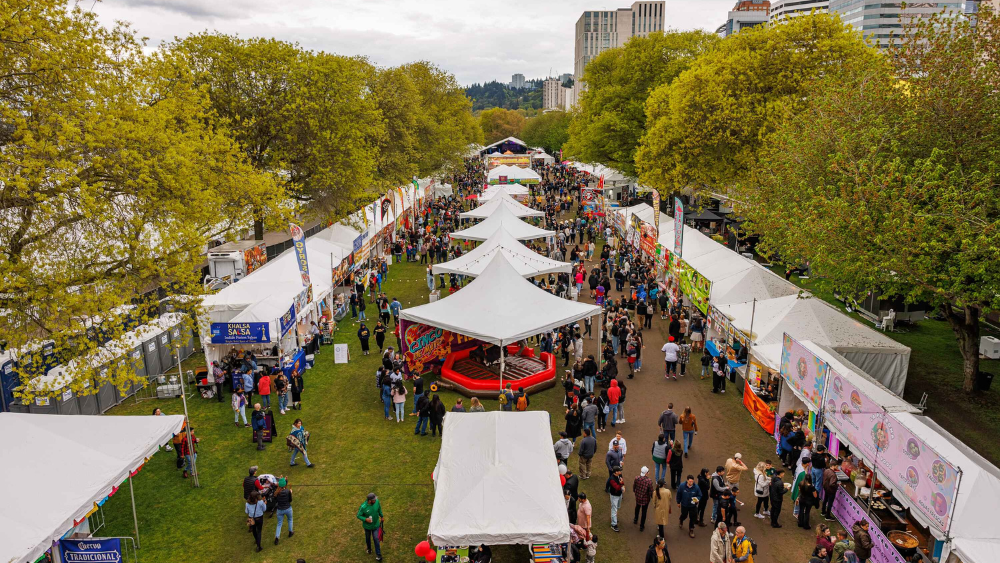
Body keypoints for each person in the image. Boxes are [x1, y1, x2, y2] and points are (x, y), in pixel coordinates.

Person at [357, 493, 384, 561]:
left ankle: (378, 555)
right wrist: (365, 519)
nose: (375, 500)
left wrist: (381, 516)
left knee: (376, 539)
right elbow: (358, 515)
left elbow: (379, 509)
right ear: (369, 500)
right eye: (374, 500)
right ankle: (369, 549)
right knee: (368, 538)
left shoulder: (377, 502)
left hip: (376, 525)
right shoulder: (363, 507)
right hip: (367, 527)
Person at [676, 474, 701, 538]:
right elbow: (678, 494)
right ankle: (681, 520)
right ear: (687, 480)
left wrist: (697, 499)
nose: (691, 483)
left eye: (692, 481)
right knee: (684, 515)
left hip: (693, 506)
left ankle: (691, 529)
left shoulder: (696, 487)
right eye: (690, 481)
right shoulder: (682, 486)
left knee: (693, 517)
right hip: (684, 505)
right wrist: (678, 502)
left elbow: (699, 495)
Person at [633, 466, 654, 531]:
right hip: (645, 499)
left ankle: (635, 519)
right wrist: (652, 497)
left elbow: (634, 486)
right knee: (644, 512)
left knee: (637, 507)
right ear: (646, 473)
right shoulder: (649, 481)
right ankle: (641, 526)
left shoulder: (637, 478)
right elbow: (651, 491)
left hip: (638, 496)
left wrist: (635, 492)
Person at [273, 477, 293, 544]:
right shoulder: (287, 491)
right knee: (290, 519)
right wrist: (291, 493)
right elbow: (290, 500)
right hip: (288, 508)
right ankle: (290, 532)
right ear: (285, 485)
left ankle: (277, 537)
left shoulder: (276, 493)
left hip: (280, 510)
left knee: (279, 524)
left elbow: (276, 501)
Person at [605, 465, 625, 532]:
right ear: (616, 472)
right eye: (619, 470)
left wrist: (623, 485)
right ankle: (613, 524)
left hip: (619, 495)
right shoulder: (612, 479)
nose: (620, 471)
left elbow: (622, 483)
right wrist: (621, 483)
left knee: (618, 507)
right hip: (614, 496)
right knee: (614, 509)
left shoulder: (619, 475)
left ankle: (614, 518)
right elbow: (617, 487)